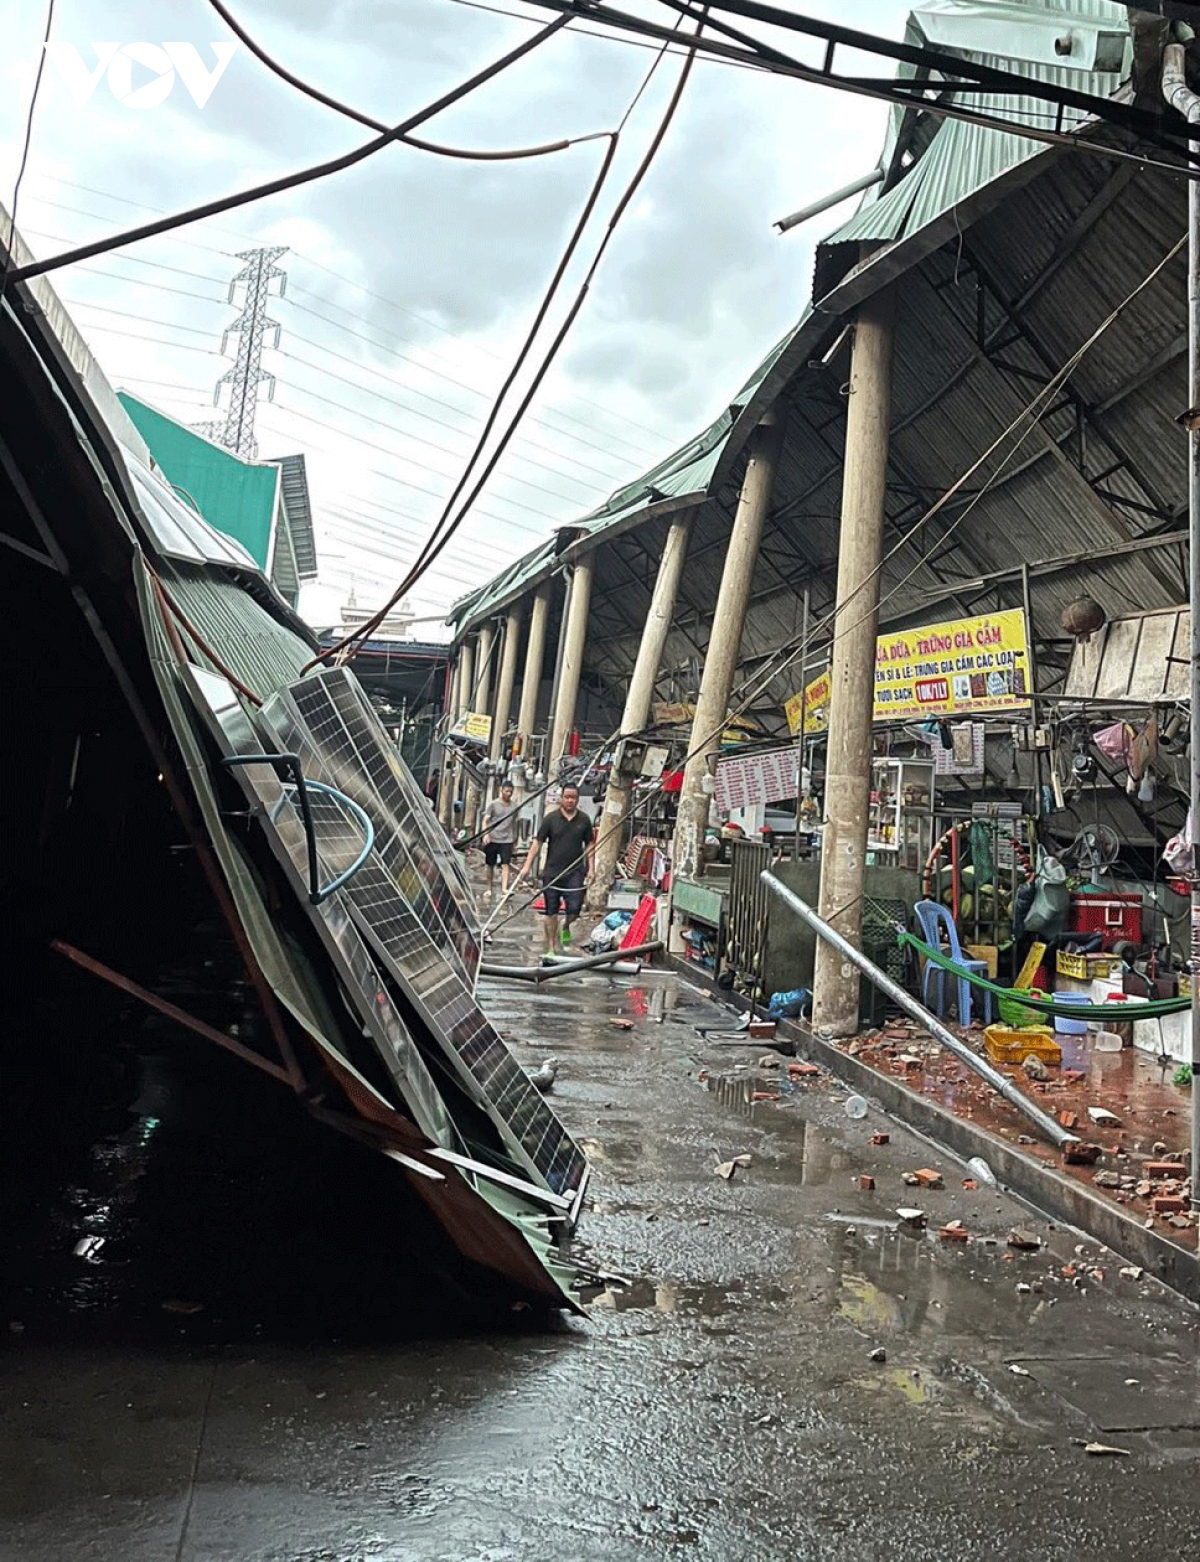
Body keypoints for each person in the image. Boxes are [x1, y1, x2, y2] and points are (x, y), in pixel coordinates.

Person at [517, 783, 595, 952]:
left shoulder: (584, 820)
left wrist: (591, 869)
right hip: (552, 872)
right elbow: (537, 843)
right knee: (551, 912)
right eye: (567, 797)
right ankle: (551, 947)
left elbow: (589, 844)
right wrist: (526, 866)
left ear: (577, 799)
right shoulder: (550, 819)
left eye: (573, 798)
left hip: (575, 872)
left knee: (574, 909)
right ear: (561, 798)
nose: (569, 801)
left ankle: (566, 926)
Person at [480, 780, 520, 898]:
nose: (508, 794)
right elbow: (486, 820)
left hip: (507, 839)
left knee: (505, 864)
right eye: (506, 791)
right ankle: (488, 888)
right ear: (501, 790)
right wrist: (485, 834)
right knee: (490, 864)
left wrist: (515, 840)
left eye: (510, 792)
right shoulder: (494, 804)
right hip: (493, 838)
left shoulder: (514, 806)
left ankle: (504, 889)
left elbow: (515, 823)